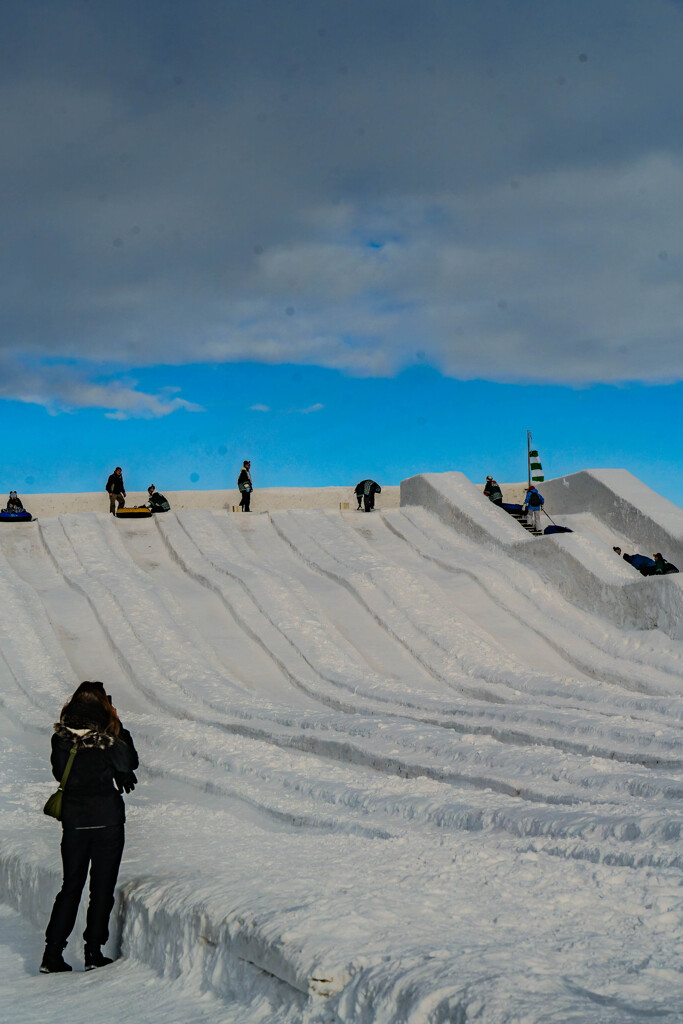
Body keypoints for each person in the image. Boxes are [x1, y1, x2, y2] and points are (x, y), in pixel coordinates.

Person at [41, 682, 138, 974]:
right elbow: (129, 762)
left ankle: (52, 954)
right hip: (107, 820)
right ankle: (93, 952)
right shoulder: (108, 737)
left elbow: (60, 772)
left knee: (70, 887)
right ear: (103, 706)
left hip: (74, 822)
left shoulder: (60, 738)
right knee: (102, 889)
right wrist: (119, 728)